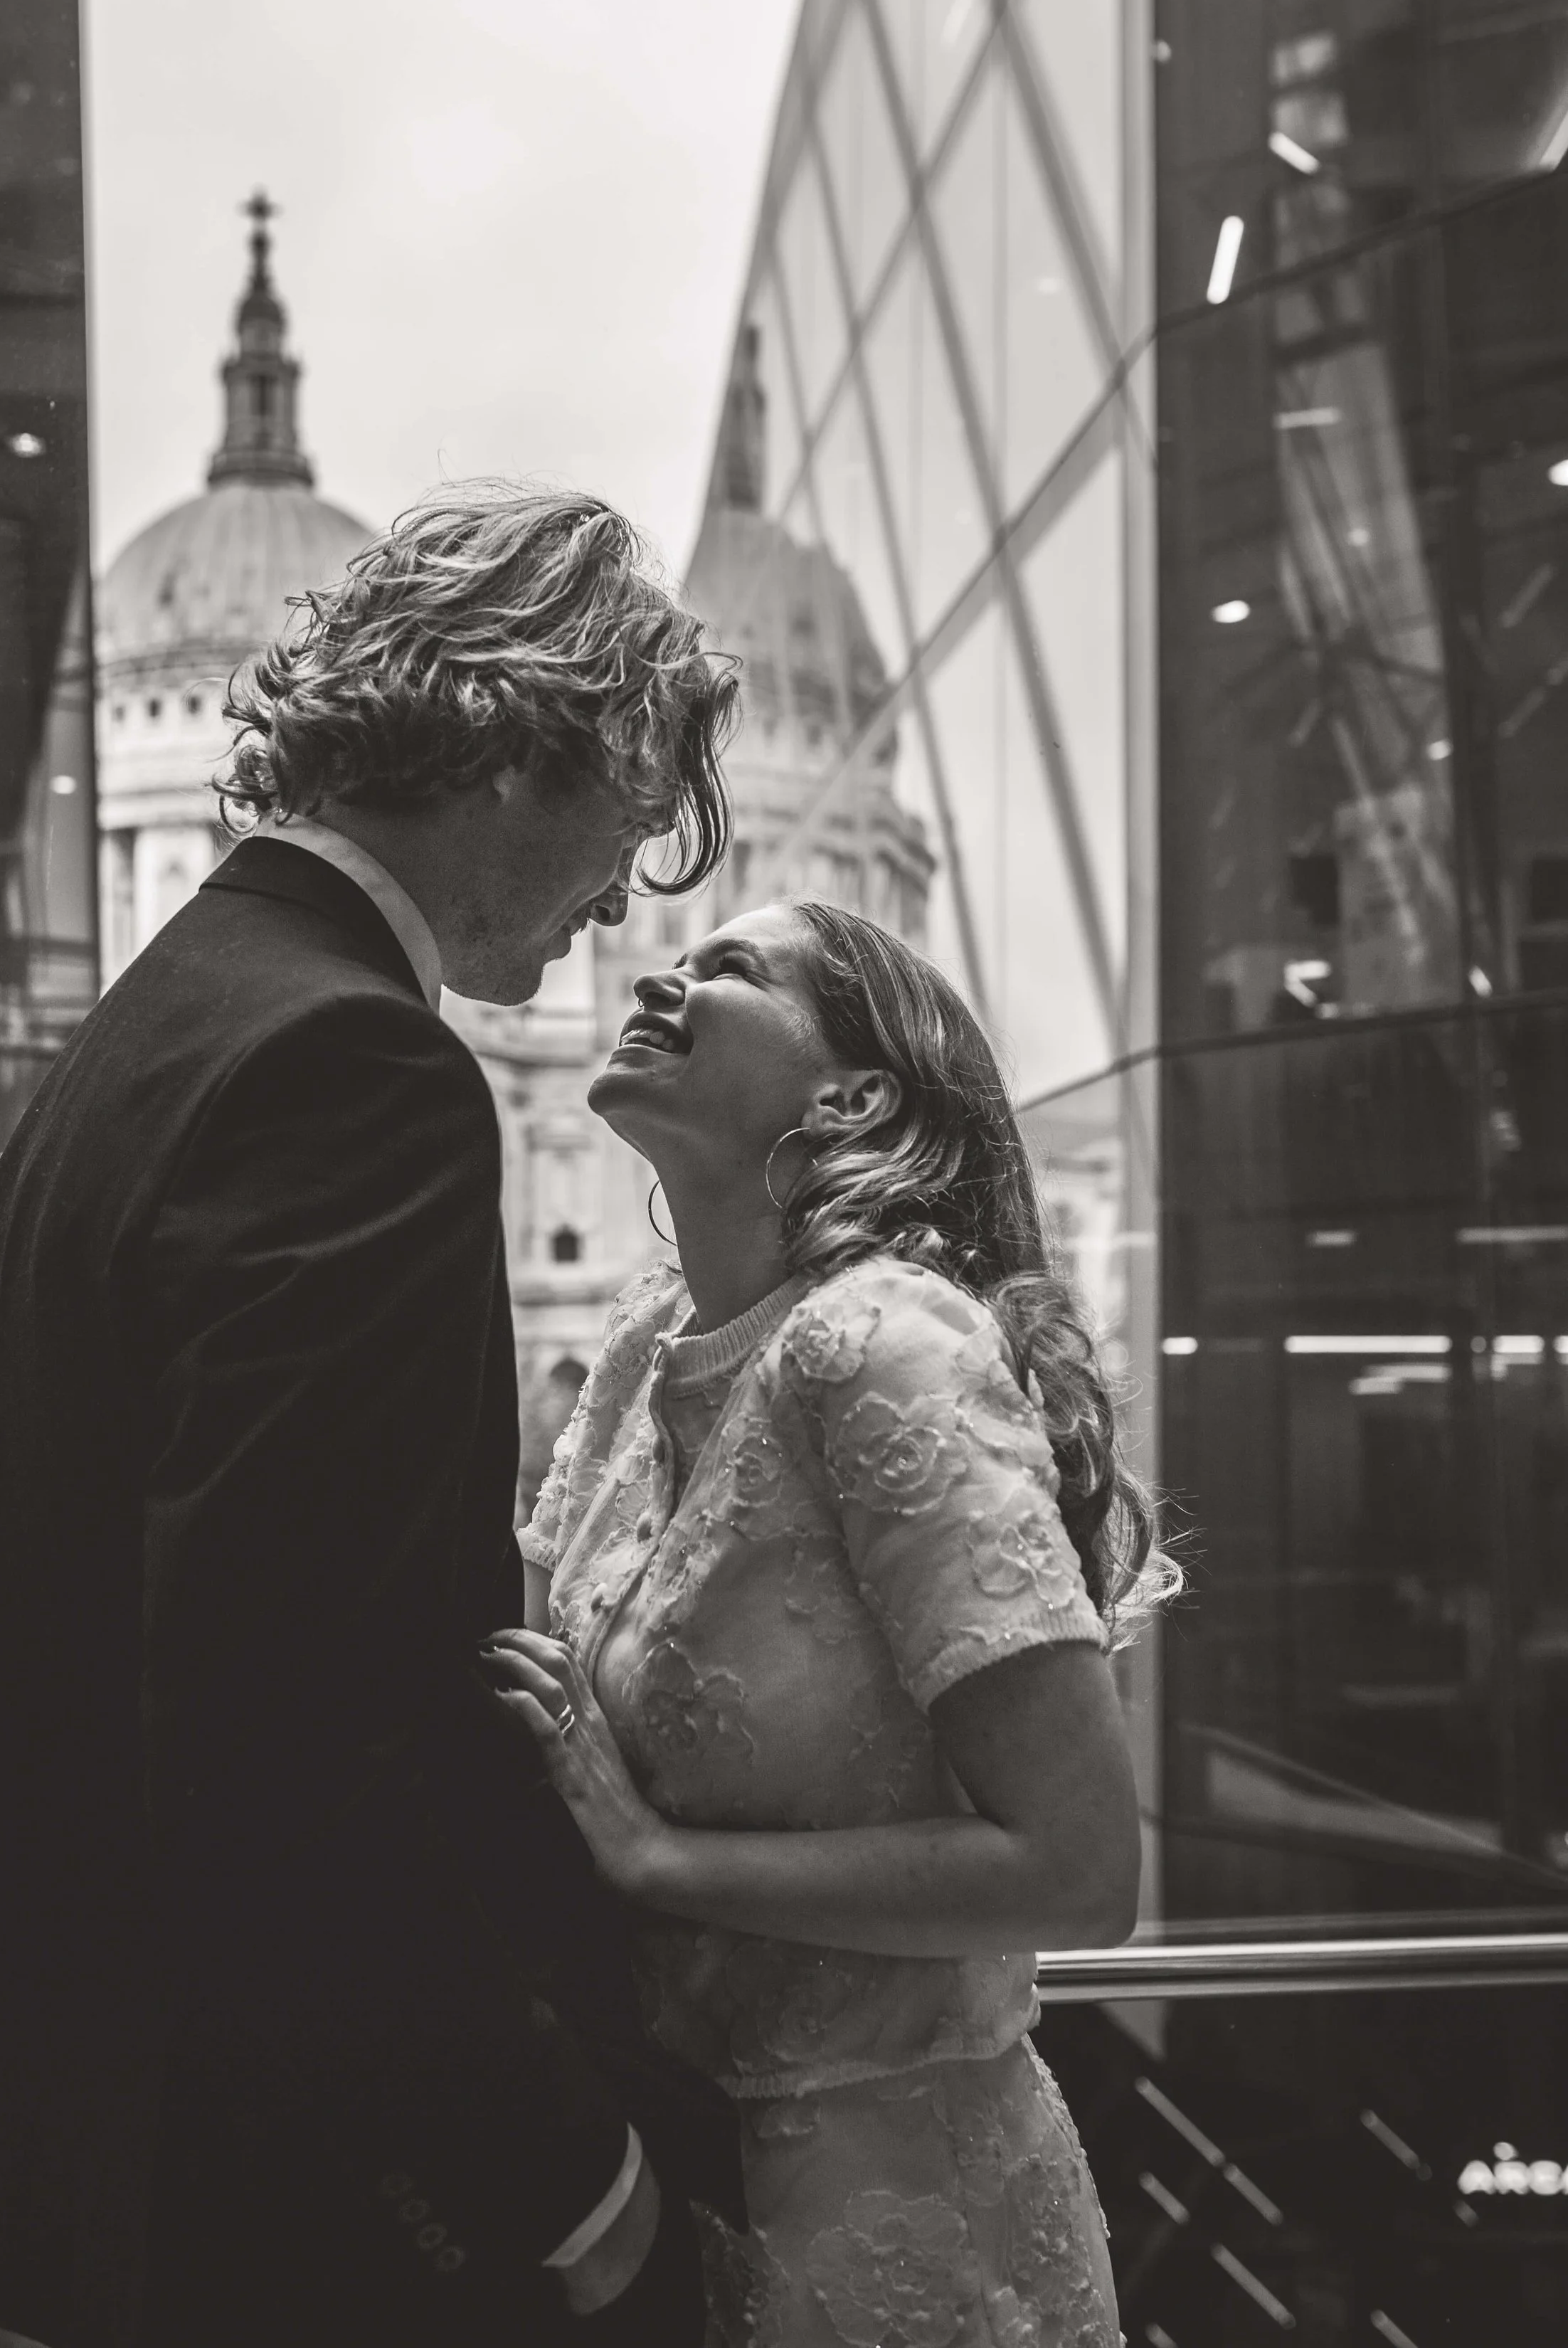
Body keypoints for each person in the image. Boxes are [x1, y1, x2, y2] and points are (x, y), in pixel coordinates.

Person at [0, 485, 745, 2348]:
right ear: (533, 745)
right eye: (629, 827)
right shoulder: (352, 1067)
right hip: (290, 2188)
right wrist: (587, 2202)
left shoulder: (140, 1038)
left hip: (97, 2138)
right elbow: (302, 1754)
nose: (621, 900)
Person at [488, 899, 1182, 2347]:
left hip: (896, 2211)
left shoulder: (880, 1345)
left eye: (733, 969)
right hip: (665, 2173)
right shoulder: (641, 1349)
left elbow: (1076, 1868)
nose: (663, 972)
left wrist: (665, 1862)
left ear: (849, 1096)